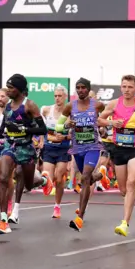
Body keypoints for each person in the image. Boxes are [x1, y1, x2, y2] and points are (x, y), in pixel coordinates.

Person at [97, 74, 135, 237]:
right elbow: (99, 120)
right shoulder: (113, 104)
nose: (126, 90)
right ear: (121, 87)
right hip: (118, 149)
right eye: (124, 86)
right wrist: (111, 122)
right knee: (124, 190)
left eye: (130, 87)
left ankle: (125, 223)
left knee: (131, 182)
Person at [0, 74, 52, 235]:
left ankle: (43, 180)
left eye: (11, 88)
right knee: (4, 177)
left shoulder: (30, 106)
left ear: (19, 89)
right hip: (10, 145)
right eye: (7, 87)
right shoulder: (7, 105)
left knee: (27, 184)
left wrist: (22, 129)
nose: (7, 91)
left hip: (26, 147)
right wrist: (0, 131)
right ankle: (4, 220)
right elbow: (6, 122)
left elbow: (43, 130)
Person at [53, 78, 105, 231]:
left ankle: (80, 217)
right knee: (87, 179)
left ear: (88, 90)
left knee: (84, 177)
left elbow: (106, 118)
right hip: (77, 148)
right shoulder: (70, 106)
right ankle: (100, 175)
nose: (81, 90)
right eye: (78, 88)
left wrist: (102, 127)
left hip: (93, 146)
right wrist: (67, 125)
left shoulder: (97, 105)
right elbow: (58, 126)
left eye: (83, 88)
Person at [41, 85, 71, 219]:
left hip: (63, 149)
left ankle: (57, 206)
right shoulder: (47, 110)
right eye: (55, 96)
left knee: (59, 179)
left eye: (60, 96)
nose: (57, 98)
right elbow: (42, 127)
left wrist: (65, 136)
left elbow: (76, 133)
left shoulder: (70, 113)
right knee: (47, 176)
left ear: (65, 97)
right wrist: (42, 139)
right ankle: (48, 183)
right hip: (49, 148)